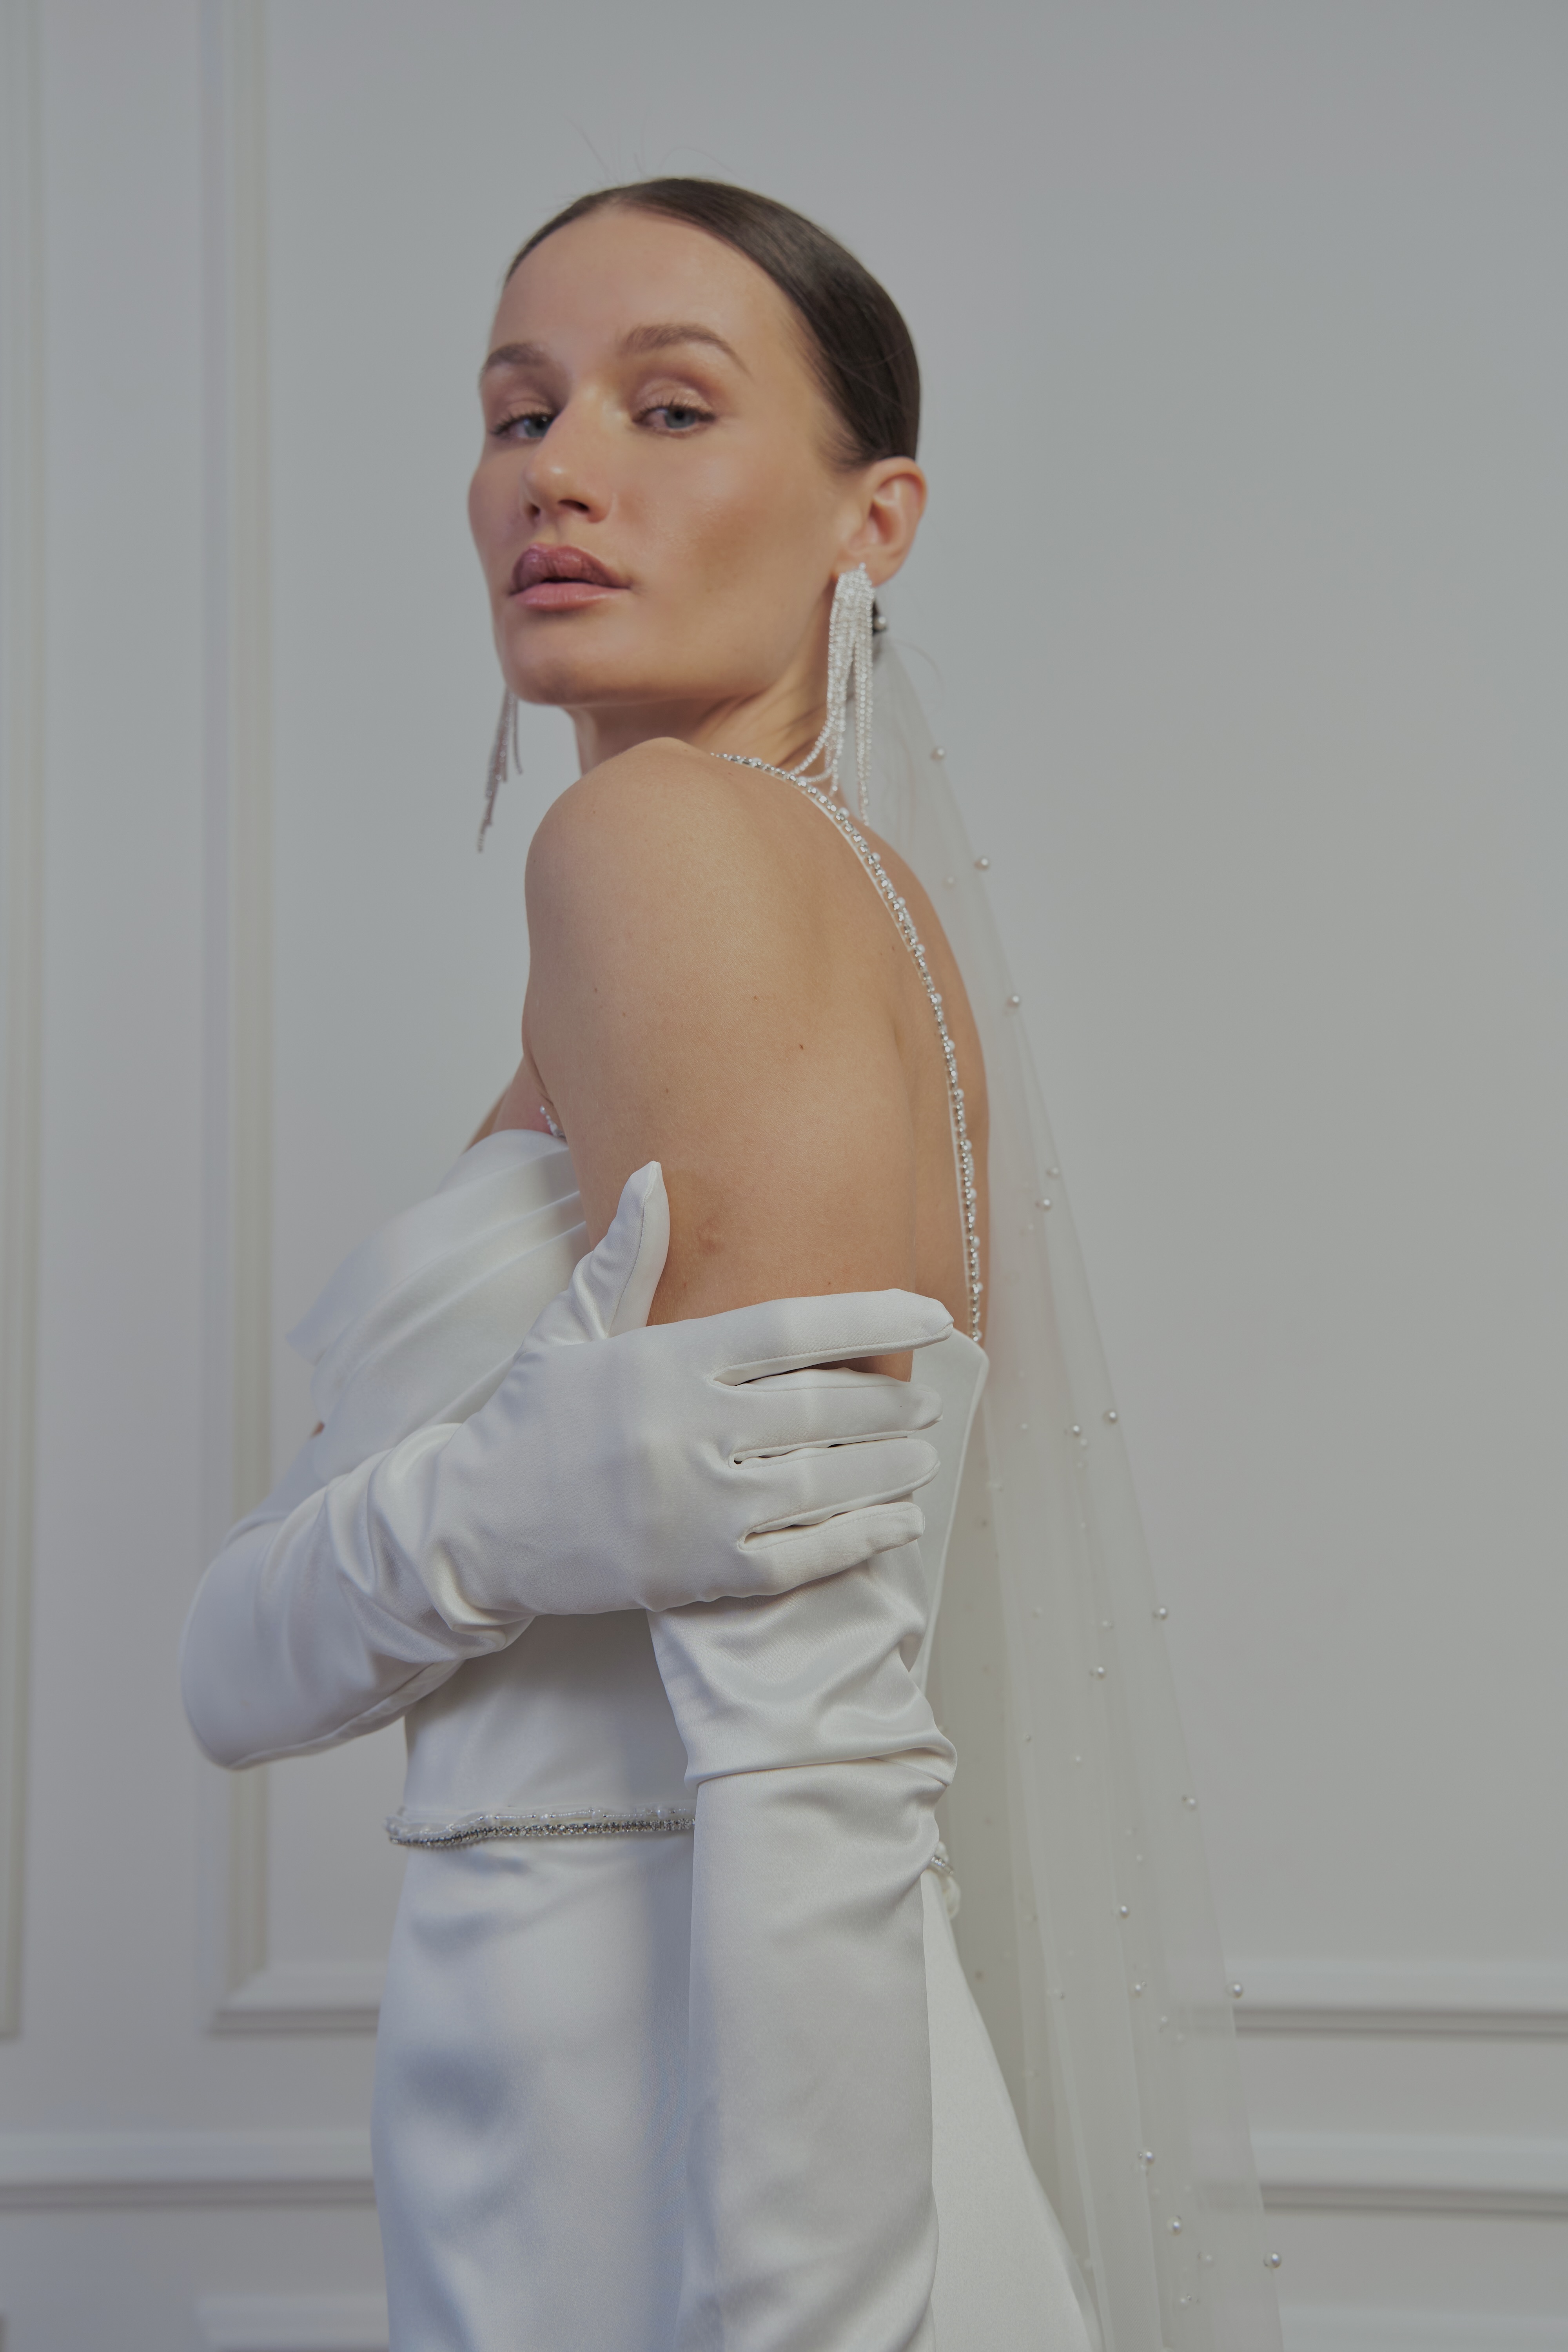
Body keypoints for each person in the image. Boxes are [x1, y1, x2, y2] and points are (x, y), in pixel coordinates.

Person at [183, 181, 1281, 2352]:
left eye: (669, 407)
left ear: (878, 521)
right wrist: (492, 1513)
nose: (559, 472)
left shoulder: (661, 847)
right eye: (518, 414)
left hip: (716, 2176)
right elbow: (235, 1673)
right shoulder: (774, 890)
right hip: (609, 2137)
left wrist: (804, 2317)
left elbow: (815, 1737)